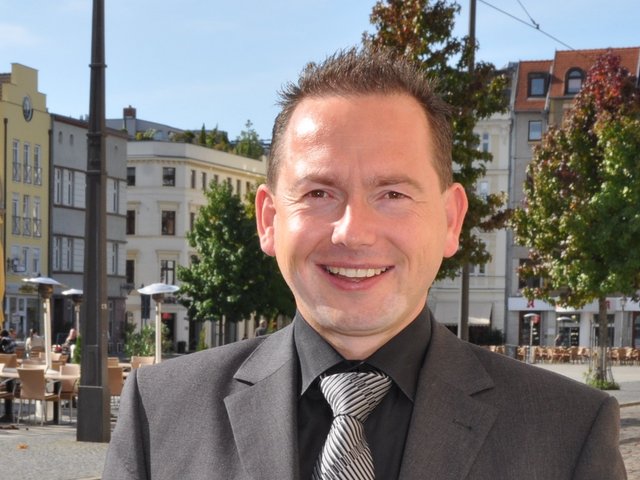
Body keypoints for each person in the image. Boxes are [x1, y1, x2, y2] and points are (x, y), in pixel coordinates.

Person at [104, 48, 625, 479]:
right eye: (319, 193)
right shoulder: (160, 410)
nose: (353, 232)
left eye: (393, 193)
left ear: (450, 220)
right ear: (269, 219)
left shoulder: (568, 432)